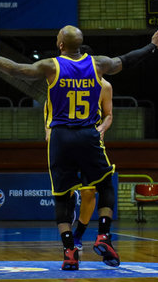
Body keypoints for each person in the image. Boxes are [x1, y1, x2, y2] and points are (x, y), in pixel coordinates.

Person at [0, 22, 158, 270]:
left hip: (61, 137)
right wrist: (152, 45)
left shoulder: (52, 66)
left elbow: (16, 69)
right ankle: (104, 236)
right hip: (88, 134)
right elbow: (127, 59)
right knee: (105, 184)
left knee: (62, 198)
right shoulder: (98, 64)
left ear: (60, 44)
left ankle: (70, 251)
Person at [43, 45, 114, 251]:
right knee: (67, 193)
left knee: (91, 192)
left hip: (90, 141)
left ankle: (78, 236)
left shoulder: (105, 86)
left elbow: (109, 114)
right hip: (65, 139)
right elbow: (50, 111)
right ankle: (79, 226)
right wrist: (48, 130)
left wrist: (101, 127)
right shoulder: (62, 84)